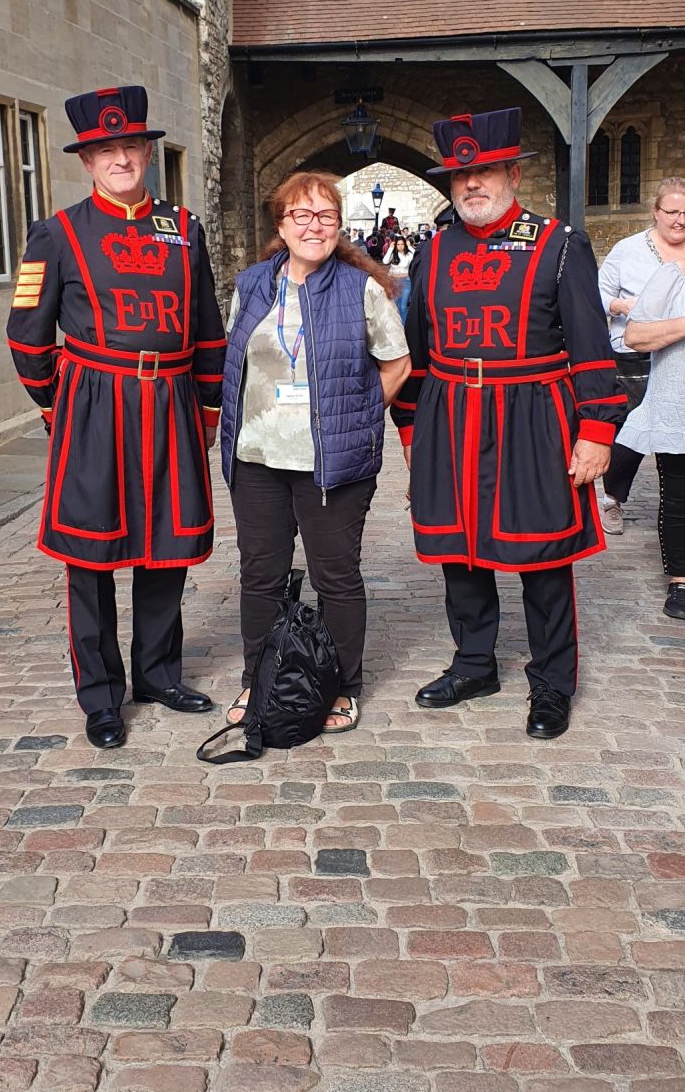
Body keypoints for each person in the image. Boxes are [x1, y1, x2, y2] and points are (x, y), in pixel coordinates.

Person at [391, 107, 625, 740]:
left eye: (486, 170)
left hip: (534, 416)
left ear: (512, 173)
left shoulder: (559, 243)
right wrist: (412, 432)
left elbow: (591, 344)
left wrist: (597, 430)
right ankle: (474, 663)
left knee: (544, 554)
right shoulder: (432, 250)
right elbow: (415, 352)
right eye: (460, 175)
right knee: (459, 549)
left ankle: (553, 682)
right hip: (450, 415)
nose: (472, 184)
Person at [7, 85, 225, 749]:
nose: (121, 158)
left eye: (131, 145)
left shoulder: (184, 229)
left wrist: (208, 407)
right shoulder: (58, 233)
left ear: (147, 153)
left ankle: (158, 673)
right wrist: (59, 405)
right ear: (87, 161)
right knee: (90, 557)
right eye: (107, 150)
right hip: (93, 406)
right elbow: (25, 334)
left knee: (165, 548)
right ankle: (101, 696)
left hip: (170, 404)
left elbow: (209, 330)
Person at [221, 170, 411, 733]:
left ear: (339, 226)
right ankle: (258, 680)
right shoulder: (253, 284)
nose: (314, 226)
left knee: (336, 577)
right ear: (281, 224)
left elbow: (397, 363)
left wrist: (357, 414)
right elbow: (240, 357)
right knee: (261, 575)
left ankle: (341, 687)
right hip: (257, 457)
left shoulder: (362, 289)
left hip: (333, 463)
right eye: (301, 215)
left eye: (325, 216)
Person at [597, 180, 685, 535]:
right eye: (673, 212)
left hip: (678, 357)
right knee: (631, 432)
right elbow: (597, 294)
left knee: (674, 436)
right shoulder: (628, 250)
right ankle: (613, 498)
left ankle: (676, 510)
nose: (680, 220)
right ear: (656, 212)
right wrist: (620, 305)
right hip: (633, 353)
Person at [618, 244, 685, 620]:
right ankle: (681, 581)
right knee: (679, 497)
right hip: (679, 407)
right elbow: (636, 336)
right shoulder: (673, 274)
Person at [383, 234, 415, 321]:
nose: (400, 246)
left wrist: (410, 246)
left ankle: (404, 329)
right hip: (394, 281)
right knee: (394, 306)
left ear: (405, 245)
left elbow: (417, 255)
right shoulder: (393, 254)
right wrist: (390, 248)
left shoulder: (409, 254)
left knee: (403, 307)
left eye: (402, 244)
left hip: (406, 281)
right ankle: (395, 327)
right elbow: (385, 261)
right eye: (398, 244)